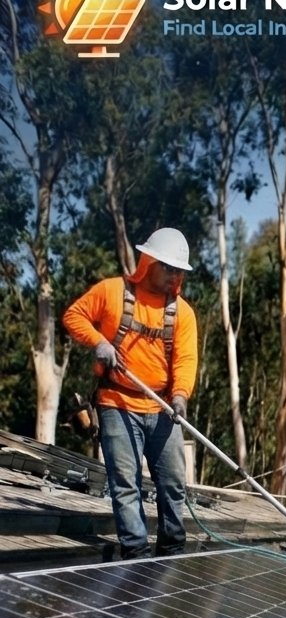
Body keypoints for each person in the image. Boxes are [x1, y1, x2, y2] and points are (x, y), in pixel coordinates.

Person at [63, 228, 198, 559]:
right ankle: (137, 556)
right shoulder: (111, 292)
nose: (174, 275)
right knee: (126, 483)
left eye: (179, 270)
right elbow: (73, 316)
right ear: (148, 262)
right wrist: (99, 342)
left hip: (163, 408)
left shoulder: (182, 313)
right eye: (168, 267)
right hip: (117, 403)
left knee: (172, 485)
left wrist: (180, 396)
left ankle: (171, 552)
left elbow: (185, 359)